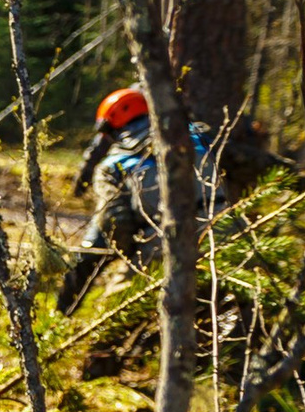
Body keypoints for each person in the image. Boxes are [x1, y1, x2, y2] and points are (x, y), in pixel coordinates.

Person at [54, 85, 220, 314]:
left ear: (113, 126)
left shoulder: (113, 165)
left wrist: (129, 252)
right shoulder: (202, 136)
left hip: (164, 255)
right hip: (227, 240)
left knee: (110, 314)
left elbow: (113, 225)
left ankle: (63, 320)